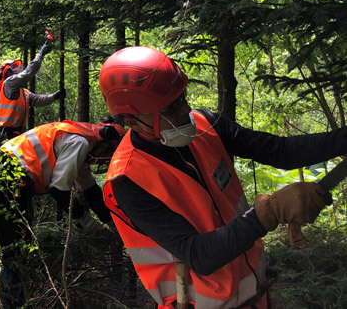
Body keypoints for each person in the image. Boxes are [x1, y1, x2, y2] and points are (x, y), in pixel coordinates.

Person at [98, 46, 344, 309]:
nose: (185, 110)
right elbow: (200, 255)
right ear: (132, 120)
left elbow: (281, 151)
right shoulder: (129, 181)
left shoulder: (206, 125)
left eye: (182, 98)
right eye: (170, 108)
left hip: (256, 296)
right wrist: (269, 212)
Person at [0, 119, 126, 309]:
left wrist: (112, 223)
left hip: (10, 173)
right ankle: (12, 304)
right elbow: (60, 190)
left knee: (23, 243)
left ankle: (20, 299)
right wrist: (87, 222)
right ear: (104, 143)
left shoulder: (81, 142)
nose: (105, 159)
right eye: (108, 153)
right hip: (7, 175)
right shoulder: (79, 143)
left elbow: (91, 192)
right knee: (15, 248)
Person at [0, 40, 63, 142]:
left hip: (16, 134)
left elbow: (36, 100)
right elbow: (28, 74)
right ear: (8, 71)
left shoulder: (24, 92)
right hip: (4, 134)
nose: (19, 67)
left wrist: (54, 97)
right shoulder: (9, 83)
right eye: (15, 65)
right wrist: (41, 54)